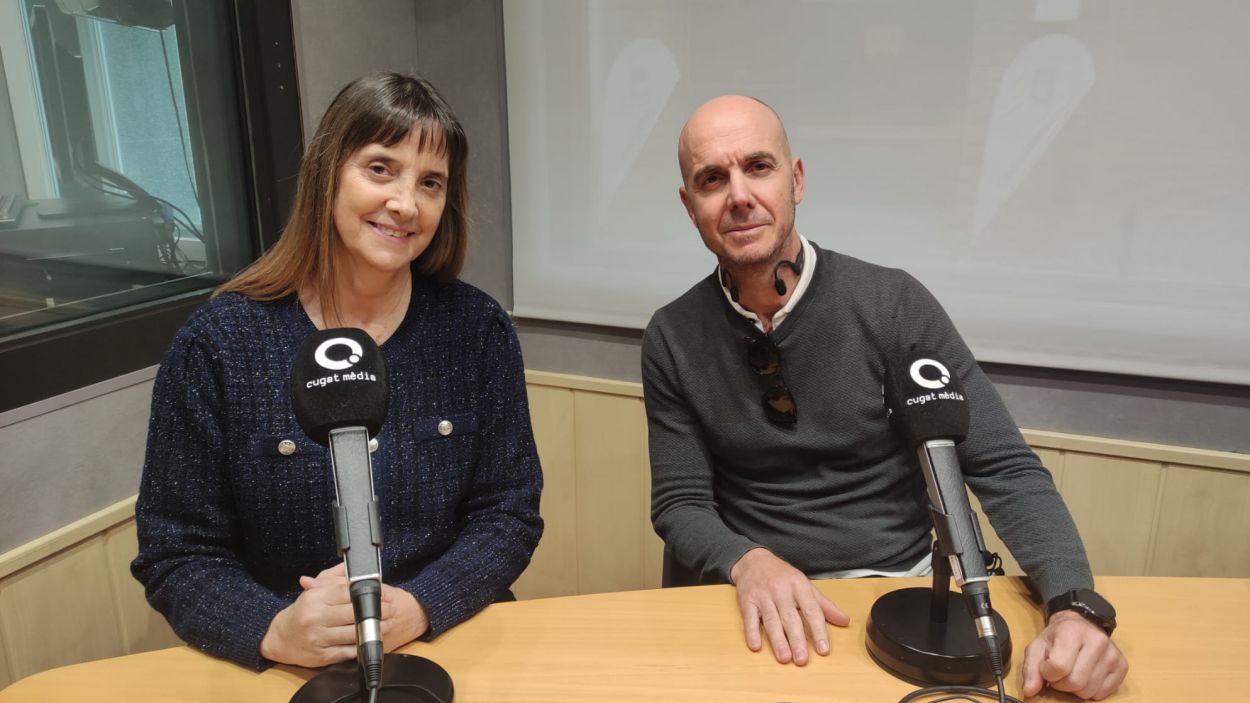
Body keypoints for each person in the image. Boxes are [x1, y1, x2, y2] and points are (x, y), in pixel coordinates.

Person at [642, 95, 1127, 700]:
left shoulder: (892, 304)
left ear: (796, 180)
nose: (738, 195)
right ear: (690, 207)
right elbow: (680, 503)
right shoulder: (672, 335)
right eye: (712, 179)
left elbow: (1002, 465)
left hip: (896, 596)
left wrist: (1074, 605)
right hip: (758, 600)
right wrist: (749, 563)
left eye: (758, 167)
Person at [132, 73, 543, 671]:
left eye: (431, 183)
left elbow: (508, 512)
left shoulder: (476, 330)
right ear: (328, 175)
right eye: (380, 168)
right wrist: (270, 630)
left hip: (448, 645)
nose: (405, 203)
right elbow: (176, 552)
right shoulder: (217, 345)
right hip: (291, 668)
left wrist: (425, 603)